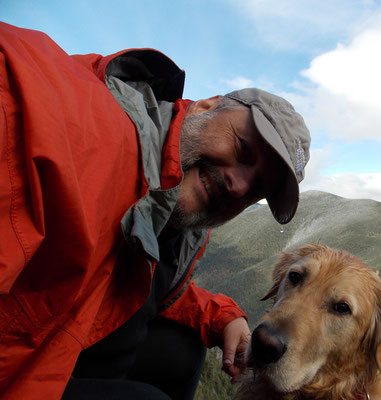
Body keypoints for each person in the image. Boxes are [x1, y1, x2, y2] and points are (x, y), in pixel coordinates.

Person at [0, 22, 311, 400]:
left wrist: (223, 316)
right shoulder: (58, 126)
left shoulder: (176, 211)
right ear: (206, 105)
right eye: (243, 149)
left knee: (183, 348)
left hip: (60, 352)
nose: (239, 186)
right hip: (21, 374)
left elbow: (147, 282)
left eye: (257, 189)